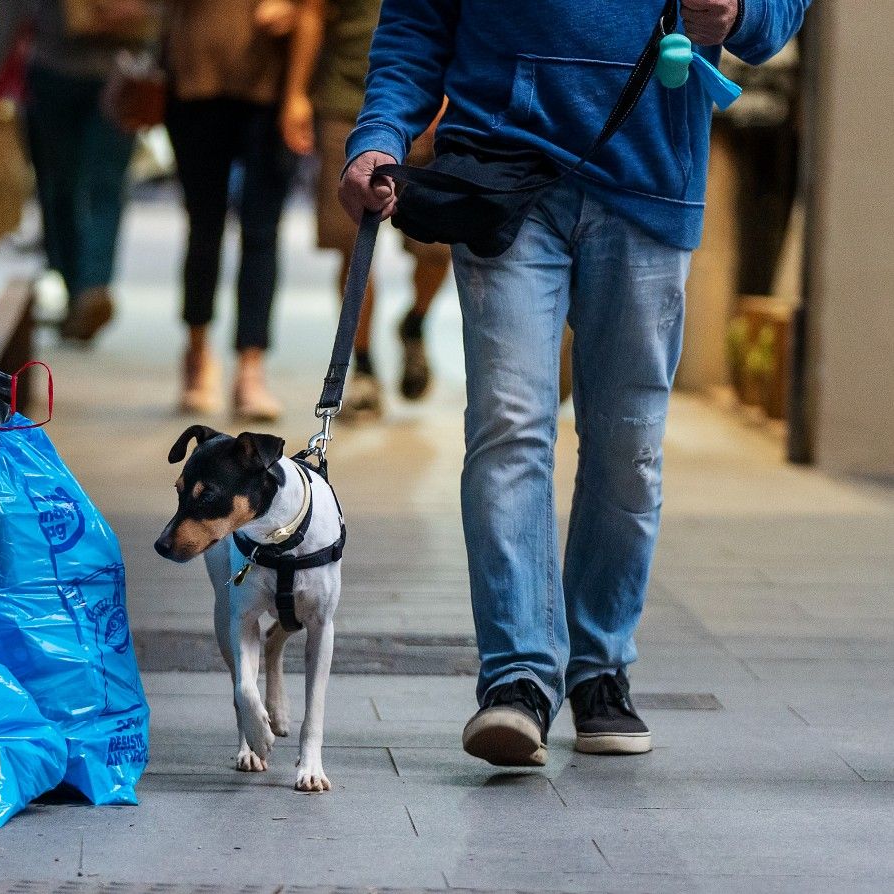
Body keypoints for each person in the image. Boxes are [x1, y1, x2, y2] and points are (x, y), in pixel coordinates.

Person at [339, 0, 808, 766]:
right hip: (503, 171)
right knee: (508, 424)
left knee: (628, 446)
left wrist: (744, 14)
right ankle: (516, 677)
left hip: (650, 177)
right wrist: (379, 133)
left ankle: (598, 669)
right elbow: (417, 21)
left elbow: (778, 11)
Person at [305, 0, 450, 421]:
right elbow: (314, 14)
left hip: (428, 105)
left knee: (437, 250)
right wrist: (296, 94)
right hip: (345, 101)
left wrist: (453, 97)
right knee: (354, 246)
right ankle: (363, 368)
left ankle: (415, 325)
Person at [165, 0, 311, 421]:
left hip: (271, 91)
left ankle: (251, 370)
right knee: (203, 226)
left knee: (262, 232)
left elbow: (316, 13)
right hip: (195, 81)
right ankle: (196, 352)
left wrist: (298, 91)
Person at [0, 0, 156, 343]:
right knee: (77, 187)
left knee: (85, 185)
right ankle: (86, 287)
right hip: (67, 70)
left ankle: (86, 287)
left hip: (107, 71)